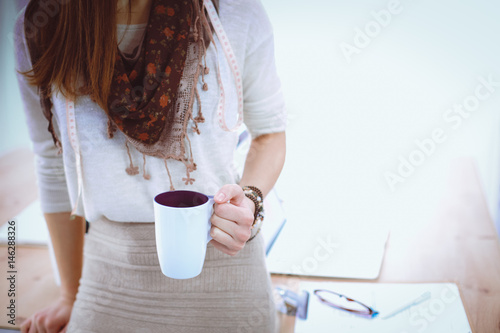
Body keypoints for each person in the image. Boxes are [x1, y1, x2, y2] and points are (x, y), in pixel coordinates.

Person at [14, 0, 286, 332]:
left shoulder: (237, 11)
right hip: (111, 272)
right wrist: (70, 296)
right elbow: (53, 163)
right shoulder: (43, 26)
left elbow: (270, 134)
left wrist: (251, 198)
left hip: (227, 263)